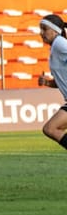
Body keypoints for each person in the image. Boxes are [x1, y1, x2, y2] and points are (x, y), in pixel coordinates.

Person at [36, 14, 67, 150]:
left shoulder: (59, 43)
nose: (41, 33)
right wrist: (48, 83)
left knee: (51, 128)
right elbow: (62, 80)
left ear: (55, 30)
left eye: (44, 29)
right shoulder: (56, 47)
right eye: (40, 29)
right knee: (52, 128)